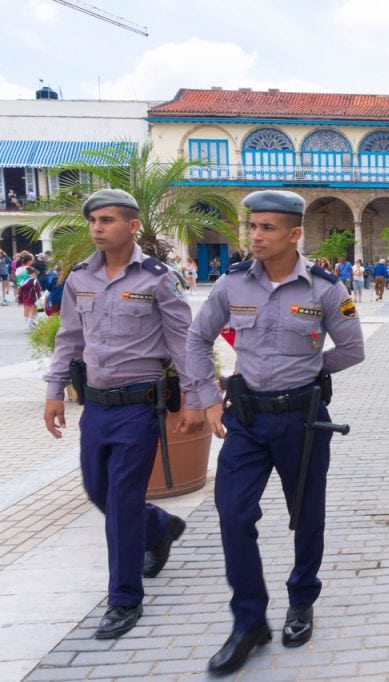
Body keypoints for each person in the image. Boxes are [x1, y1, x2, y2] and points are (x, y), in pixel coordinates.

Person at [185, 190, 365, 674]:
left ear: (293, 233)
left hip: (302, 421)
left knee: (306, 514)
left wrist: (306, 370)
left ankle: (301, 599)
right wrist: (204, 397)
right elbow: (198, 338)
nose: (256, 235)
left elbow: (351, 349)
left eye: (267, 227)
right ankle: (249, 620)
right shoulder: (232, 284)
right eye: (253, 226)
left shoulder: (327, 289)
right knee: (232, 513)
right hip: (245, 418)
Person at [42, 189, 205, 640]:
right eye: (93, 220)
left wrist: (194, 399)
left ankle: (123, 599)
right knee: (98, 490)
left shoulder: (158, 278)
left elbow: (181, 341)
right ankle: (160, 527)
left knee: (120, 503)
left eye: (107, 220)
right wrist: (55, 390)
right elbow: (69, 338)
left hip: (138, 405)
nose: (97, 227)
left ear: (132, 226)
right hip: (95, 406)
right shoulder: (79, 278)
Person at [15, 253, 40, 330]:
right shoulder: (30, 269)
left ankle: (29, 323)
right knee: (33, 306)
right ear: (29, 261)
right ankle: (29, 324)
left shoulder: (18, 269)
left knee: (26, 306)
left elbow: (17, 277)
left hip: (21, 289)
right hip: (31, 289)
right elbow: (37, 274)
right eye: (31, 260)